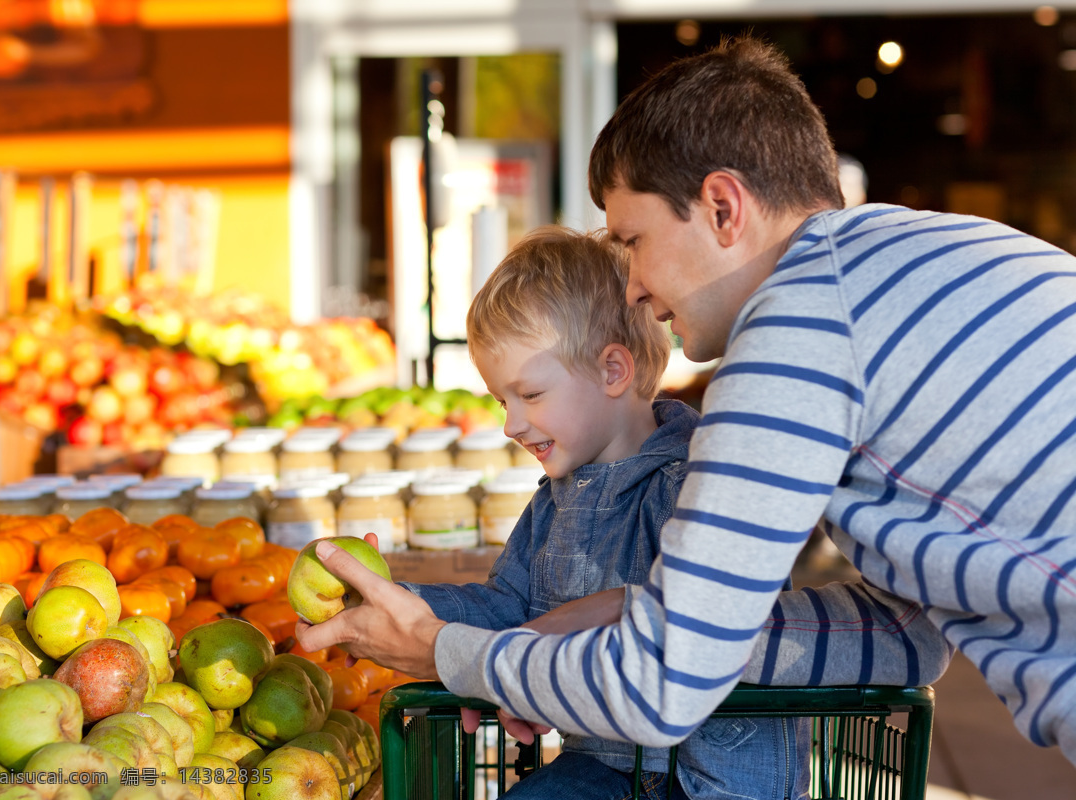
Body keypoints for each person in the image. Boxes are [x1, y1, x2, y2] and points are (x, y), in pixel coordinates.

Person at [300, 35, 1076, 766]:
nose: (633, 284)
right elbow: (909, 637)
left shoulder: (800, 322)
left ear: (723, 207)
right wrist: (639, 613)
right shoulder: (932, 254)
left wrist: (442, 651)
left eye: (632, 239)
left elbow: (658, 690)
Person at [397, 225, 808, 799]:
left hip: (713, 777)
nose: (511, 423)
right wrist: (407, 606)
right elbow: (508, 605)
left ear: (613, 371)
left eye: (530, 395)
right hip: (611, 764)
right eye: (501, 401)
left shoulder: (696, 484)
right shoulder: (552, 500)